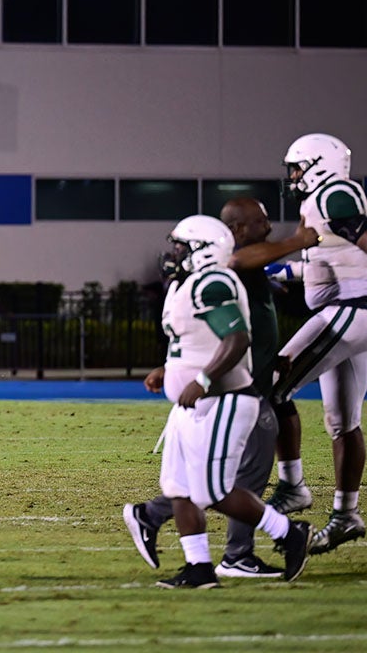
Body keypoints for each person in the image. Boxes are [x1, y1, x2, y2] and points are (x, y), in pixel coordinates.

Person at [123, 198, 320, 578]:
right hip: (194, 403)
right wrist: (170, 369)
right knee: (179, 487)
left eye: (182, 247)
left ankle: (288, 533)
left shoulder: (214, 279)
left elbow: (236, 339)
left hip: (224, 398)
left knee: (211, 490)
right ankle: (198, 567)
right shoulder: (187, 283)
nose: (174, 253)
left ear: (204, 250)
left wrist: (201, 380)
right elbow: (199, 340)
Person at [268, 133, 367, 555]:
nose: (292, 177)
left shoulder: (335, 194)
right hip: (351, 310)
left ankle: (292, 486)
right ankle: (346, 516)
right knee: (343, 421)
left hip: (355, 309)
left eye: (297, 167)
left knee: (273, 383)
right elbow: (323, 265)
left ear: (319, 164)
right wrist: (274, 271)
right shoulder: (322, 202)